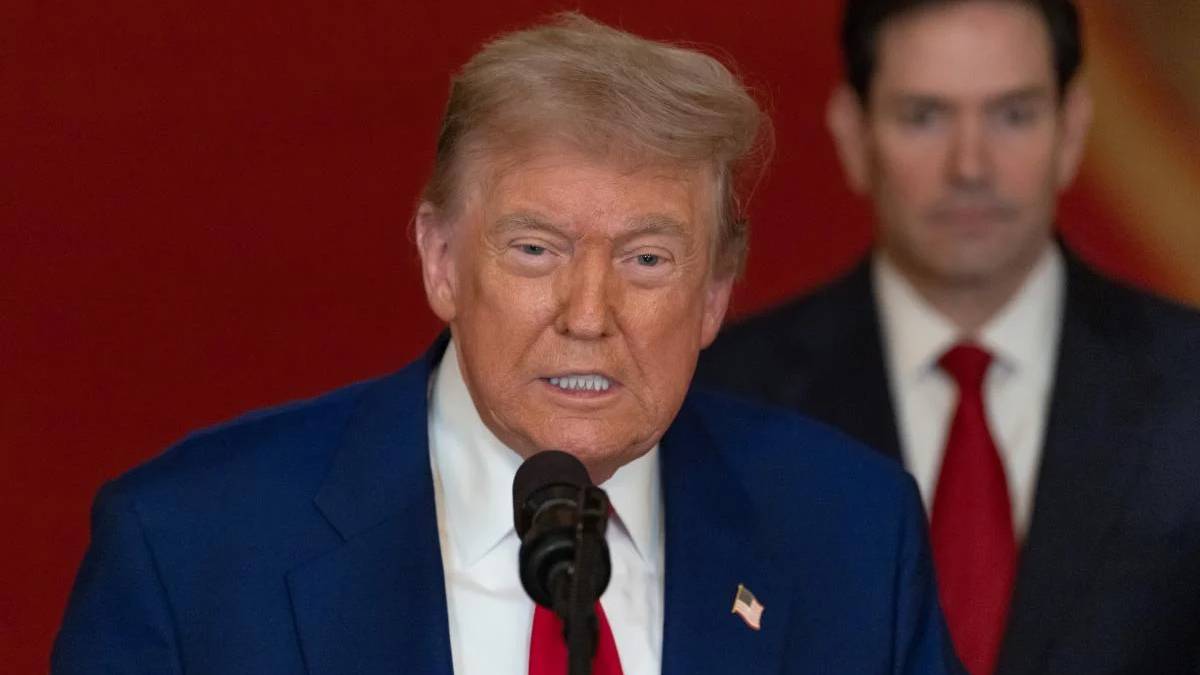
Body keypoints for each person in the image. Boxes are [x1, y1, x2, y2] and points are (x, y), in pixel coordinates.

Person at [52, 13, 962, 675]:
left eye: (648, 258)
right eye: (536, 249)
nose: (588, 312)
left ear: (715, 293)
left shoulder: (849, 533)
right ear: (442, 260)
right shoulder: (191, 551)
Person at [697, 1, 1200, 674]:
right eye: (924, 116)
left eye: (1012, 114)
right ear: (854, 135)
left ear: (1072, 129)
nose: (970, 166)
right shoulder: (726, 398)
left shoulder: (1189, 384)